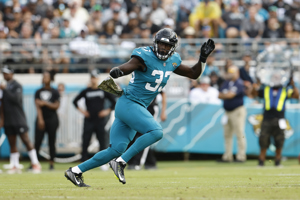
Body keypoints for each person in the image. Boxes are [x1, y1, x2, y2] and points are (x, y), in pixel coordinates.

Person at [64, 28, 215, 187]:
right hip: (129, 103)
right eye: (161, 44)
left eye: (167, 46)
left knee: (116, 149)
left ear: (173, 47)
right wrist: (118, 71)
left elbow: (193, 73)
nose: (163, 48)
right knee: (156, 132)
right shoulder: (143, 56)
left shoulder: (173, 60)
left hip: (133, 107)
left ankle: (75, 171)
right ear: (155, 43)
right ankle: (121, 163)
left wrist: (203, 58)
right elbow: (129, 65)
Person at [0, 65, 41, 174]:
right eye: (3, 73)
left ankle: (35, 163)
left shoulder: (16, 85)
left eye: (6, 73)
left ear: (11, 74)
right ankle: (15, 165)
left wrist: (5, 90)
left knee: (26, 140)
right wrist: (2, 118)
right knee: (12, 143)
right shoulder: (4, 87)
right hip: (8, 120)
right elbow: (2, 104)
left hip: (18, 119)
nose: (5, 75)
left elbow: (16, 99)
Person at [253, 72, 299, 167]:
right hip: (267, 118)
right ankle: (261, 161)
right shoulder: (266, 89)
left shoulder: (285, 90)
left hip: (280, 118)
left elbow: (296, 95)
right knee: (263, 140)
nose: (276, 79)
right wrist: (257, 85)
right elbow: (254, 94)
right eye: (274, 77)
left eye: (277, 77)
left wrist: (293, 84)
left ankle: (277, 161)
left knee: (279, 141)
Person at [72, 70, 116, 163]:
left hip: (100, 120)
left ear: (98, 78)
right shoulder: (86, 91)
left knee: (102, 141)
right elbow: (75, 101)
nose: (94, 80)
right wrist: (83, 112)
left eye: (95, 78)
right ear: (90, 79)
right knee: (85, 141)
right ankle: (83, 160)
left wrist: (107, 111)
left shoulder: (103, 90)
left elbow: (114, 102)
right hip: (89, 120)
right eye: (92, 78)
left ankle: (103, 162)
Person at [127, 91, 167, 170]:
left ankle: (137, 163)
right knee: (133, 135)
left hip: (150, 108)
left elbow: (163, 94)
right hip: (138, 108)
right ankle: (150, 162)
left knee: (146, 135)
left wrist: (163, 112)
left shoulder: (159, 78)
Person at [218, 65, 247, 163]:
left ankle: (241, 156)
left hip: (237, 111)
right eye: (230, 72)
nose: (230, 73)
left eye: (232, 72)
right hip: (227, 112)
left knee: (239, 134)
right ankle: (227, 156)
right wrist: (226, 95)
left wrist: (225, 95)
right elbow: (219, 95)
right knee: (227, 135)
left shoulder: (239, 83)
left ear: (237, 73)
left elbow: (231, 95)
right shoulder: (227, 82)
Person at [34, 71, 60, 170]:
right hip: (41, 119)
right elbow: (37, 106)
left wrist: (45, 103)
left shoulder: (55, 91)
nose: (45, 78)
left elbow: (56, 106)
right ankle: (35, 163)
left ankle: (51, 163)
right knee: (37, 141)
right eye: (44, 76)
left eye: (47, 77)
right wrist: (40, 119)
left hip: (52, 119)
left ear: (50, 78)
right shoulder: (38, 92)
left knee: (51, 141)